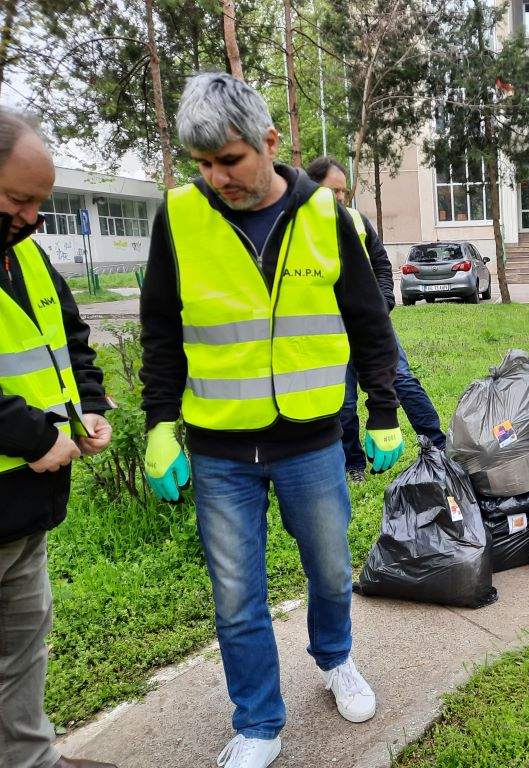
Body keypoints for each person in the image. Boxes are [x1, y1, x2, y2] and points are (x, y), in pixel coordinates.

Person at [139, 74, 403, 768]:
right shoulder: (178, 217)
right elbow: (161, 330)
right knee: (236, 596)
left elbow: (369, 324)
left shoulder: (328, 218)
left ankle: (335, 659)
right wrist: (160, 423)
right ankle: (258, 723)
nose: (215, 177)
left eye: (228, 160)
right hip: (221, 448)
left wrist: (382, 410)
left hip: (311, 442)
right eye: (201, 164)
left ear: (270, 142)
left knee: (328, 569)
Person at [0, 110, 116, 768]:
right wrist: (28, 436)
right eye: (19, 200)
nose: (33, 218)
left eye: (41, 202)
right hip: (18, 473)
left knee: (21, 651)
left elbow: (69, 341)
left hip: (23, 507)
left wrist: (88, 409)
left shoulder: (28, 257)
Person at [305, 156, 445, 483]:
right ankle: (352, 465)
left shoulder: (356, 220)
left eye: (343, 192)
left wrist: (382, 303)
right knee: (344, 401)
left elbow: (381, 263)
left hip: (370, 325)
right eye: (333, 191)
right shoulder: (299, 228)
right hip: (330, 331)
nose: (340, 199)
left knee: (405, 382)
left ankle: (438, 445)